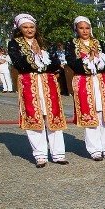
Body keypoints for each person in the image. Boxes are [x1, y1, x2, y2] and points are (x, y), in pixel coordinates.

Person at [9, 13, 68, 167]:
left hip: (48, 83)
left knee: (53, 116)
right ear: (19, 28)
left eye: (31, 27)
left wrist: (41, 56)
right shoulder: (14, 44)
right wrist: (34, 58)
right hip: (29, 83)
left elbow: (55, 63)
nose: (29, 30)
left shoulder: (44, 42)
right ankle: (40, 155)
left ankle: (58, 153)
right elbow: (20, 64)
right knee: (34, 118)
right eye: (25, 27)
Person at [65, 15, 105, 161]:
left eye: (87, 28)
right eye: (81, 28)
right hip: (84, 81)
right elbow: (73, 63)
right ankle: (94, 149)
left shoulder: (99, 42)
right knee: (91, 114)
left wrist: (98, 57)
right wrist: (89, 59)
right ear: (76, 29)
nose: (85, 31)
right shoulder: (72, 44)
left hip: (101, 81)